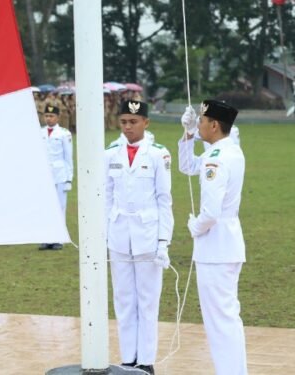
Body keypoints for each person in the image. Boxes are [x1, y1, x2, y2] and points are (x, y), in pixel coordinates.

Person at [179, 100, 247, 375]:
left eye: (202, 121)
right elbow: (187, 166)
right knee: (227, 319)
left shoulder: (216, 158)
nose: (199, 125)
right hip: (226, 245)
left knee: (220, 323)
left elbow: (210, 212)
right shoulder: (230, 150)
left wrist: (195, 226)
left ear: (214, 125)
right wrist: (187, 135)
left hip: (216, 247)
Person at [105, 100, 172, 375]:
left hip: (147, 234)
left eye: (133, 122)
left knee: (147, 300)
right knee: (123, 299)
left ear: (146, 122)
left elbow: (164, 199)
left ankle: (145, 359)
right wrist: (102, 236)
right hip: (119, 233)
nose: (128, 127)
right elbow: (106, 196)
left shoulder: (158, 154)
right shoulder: (110, 152)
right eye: (123, 122)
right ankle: (128, 358)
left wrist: (163, 241)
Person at [40, 104, 73, 250]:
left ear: (58, 117)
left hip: (60, 174)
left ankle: (59, 238)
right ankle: (47, 238)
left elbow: (68, 157)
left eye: (52, 116)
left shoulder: (64, 134)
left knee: (60, 207)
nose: (49, 118)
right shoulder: (39, 132)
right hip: (45, 174)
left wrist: (69, 178)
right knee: (46, 206)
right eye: (46, 116)